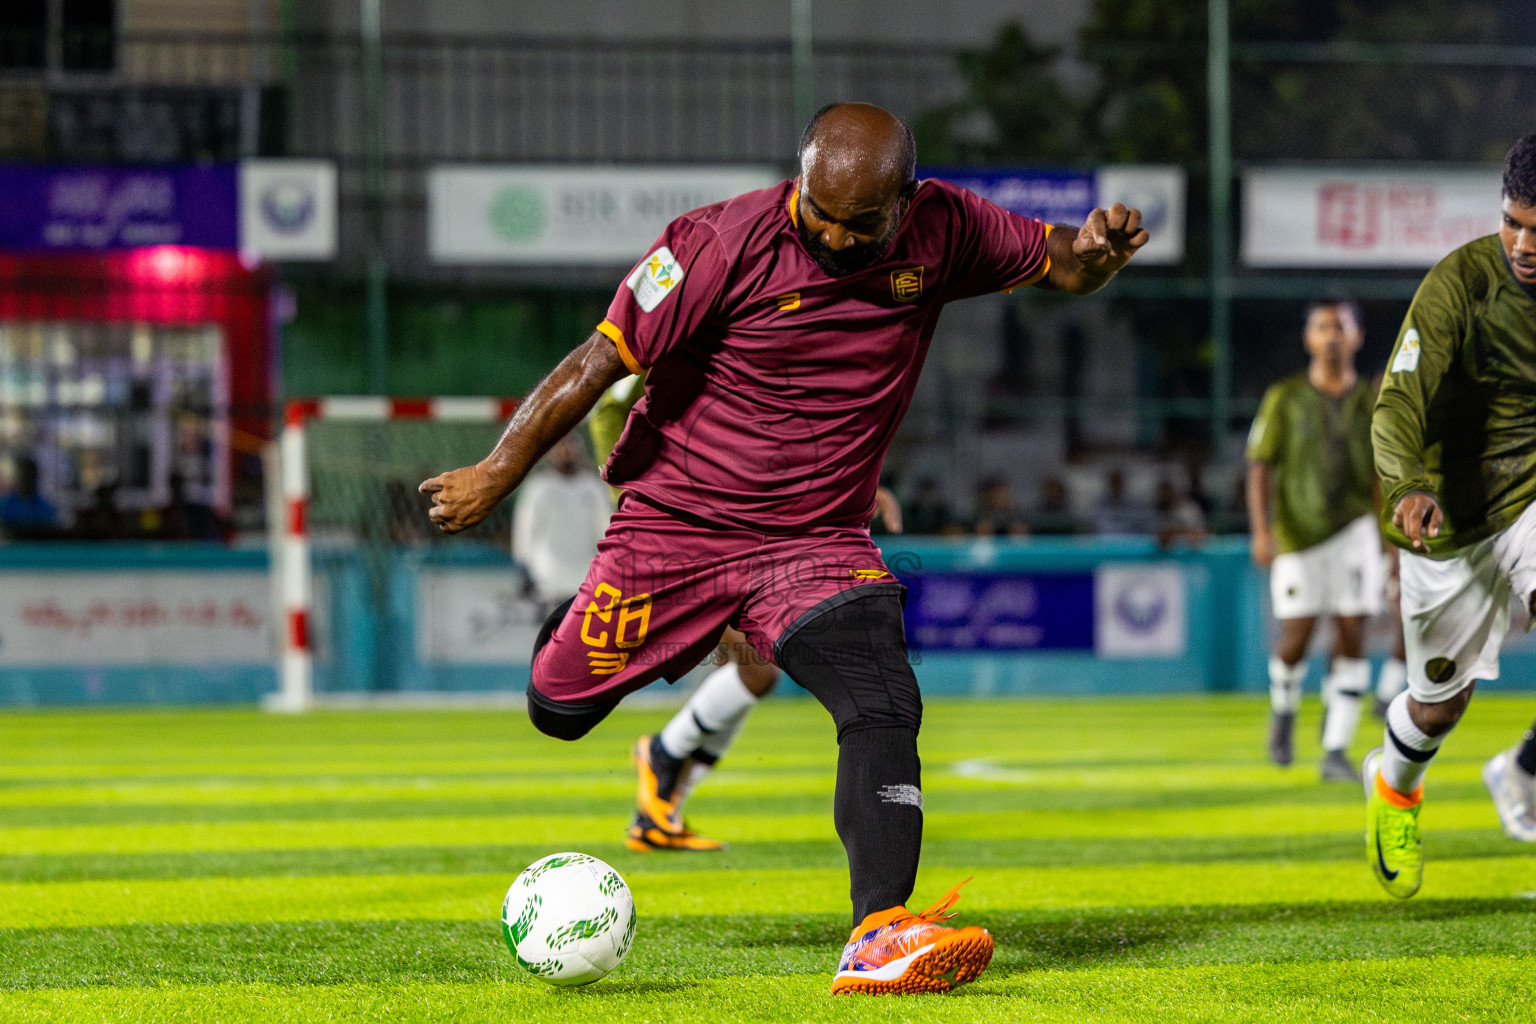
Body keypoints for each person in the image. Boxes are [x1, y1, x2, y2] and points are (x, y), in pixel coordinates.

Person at [421, 102, 1147, 993]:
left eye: (861, 224)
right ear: (797, 182)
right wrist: (498, 471)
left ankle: (878, 932)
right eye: (820, 214)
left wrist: (1101, 255)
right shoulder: (710, 245)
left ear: (905, 203)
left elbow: (1065, 264)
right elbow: (594, 363)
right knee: (556, 709)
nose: (836, 238)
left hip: (815, 539)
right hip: (677, 528)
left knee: (882, 692)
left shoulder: (947, 226)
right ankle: (641, 636)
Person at [590, 372, 904, 853]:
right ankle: (658, 758)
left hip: (726, 530)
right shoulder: (665, 339)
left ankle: (659, 808)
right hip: (678, 535)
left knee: (757, 671)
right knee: (756, 670)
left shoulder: (730, 354)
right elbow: (606, 410)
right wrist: (634, 495)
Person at [1366, 133, 1536, 897]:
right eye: (1513, 222)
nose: (1523, 245)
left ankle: (1527, 769)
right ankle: (1395, 787)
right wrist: (1405, 484)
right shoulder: (1459, 284)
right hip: (1451, 519)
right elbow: (1398, 399)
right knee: (1438, 706)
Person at [1246, 300, 1381, 783]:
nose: (1332, 335)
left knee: (1352, 632)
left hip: (1356, 530)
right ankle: (1284, 709)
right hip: (1298, 534)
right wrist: (1262, 531)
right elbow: (1260, 466)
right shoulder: (1285, 397)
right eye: (1323, 327)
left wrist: (1390, 543)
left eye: (1341, 326)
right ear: (1308, 338)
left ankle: (1336, 749)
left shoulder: (1372, 402)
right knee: (1298, 636)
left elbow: (1383, 477)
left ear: (1357, 337)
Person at [511, 434, 613, 613]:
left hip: (586, 581)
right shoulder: (538, 488)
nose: (566, 451)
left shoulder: (594, 489)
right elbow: (524, 532)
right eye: (561, 446)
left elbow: (607, 533)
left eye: (571, 445)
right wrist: (524, 569)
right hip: (547, 581)